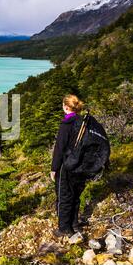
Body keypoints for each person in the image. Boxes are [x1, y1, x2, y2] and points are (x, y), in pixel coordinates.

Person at [50, 94, 86, 237]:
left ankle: (64, 228)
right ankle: (74, 224)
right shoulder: (84, 122)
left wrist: (54, 168)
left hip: (66, 166)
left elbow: (59, 148)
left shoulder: (66, 124)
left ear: (66, 107)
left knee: (64, 196)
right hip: (81, 165)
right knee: (75, 195)